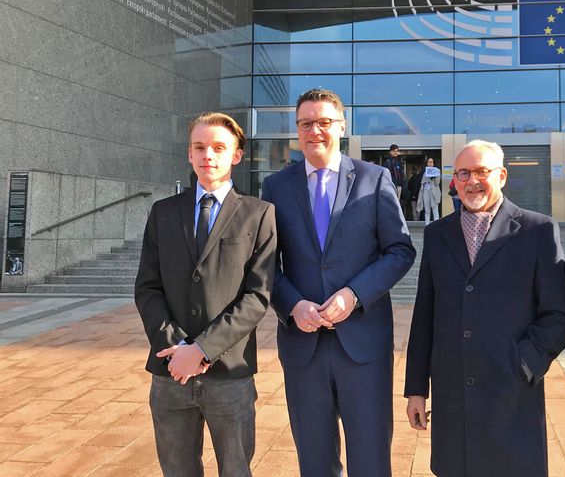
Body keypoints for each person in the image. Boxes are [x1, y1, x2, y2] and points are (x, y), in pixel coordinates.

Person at [261, 89, 416, 477]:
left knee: (370, 457)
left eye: (324, 122)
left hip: (363, 344)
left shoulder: (374, 178)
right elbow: (264, 263)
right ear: (297, 131)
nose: (315, 130)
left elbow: (400, 250)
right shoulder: (275, 187)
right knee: (314, 460)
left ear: (342, 126)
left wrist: (355, 294)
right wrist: (292, 305)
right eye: (306, 123)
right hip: (303, 345)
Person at [404, 140, 565, 477]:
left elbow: (559, 314)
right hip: (453, 392)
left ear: (502, 175)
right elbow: (425, 312)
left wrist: (524, 363)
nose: (471, 181)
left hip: (511, 391)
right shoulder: (438, 233)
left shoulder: (537, 230)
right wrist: (416, 389)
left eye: (482, 171)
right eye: (463, 173)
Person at [135, 112, 277, 476]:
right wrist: (177, 349)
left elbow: (257, 296)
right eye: (199, 147)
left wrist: (201, 350)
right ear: (189, 153)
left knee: (235, 470)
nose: (207, 155)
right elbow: (148, 288)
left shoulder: (259, 215)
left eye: (218, 147)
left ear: (237, 155)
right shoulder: (162, 212)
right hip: (170, 373)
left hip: (229, 374)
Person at [417, 157, 441, 225]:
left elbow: (437, 183)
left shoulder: (437, 170)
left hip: (434, 192)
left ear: (434, 163)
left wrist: (434, 177)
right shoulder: (424, 172)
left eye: (431, 162)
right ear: (426, 163)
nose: (430, 163)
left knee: (435, 209)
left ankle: (436, 225)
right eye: (429, 162)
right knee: (427, 210)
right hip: (425, 191)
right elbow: (421, 182)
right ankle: (427, 225)